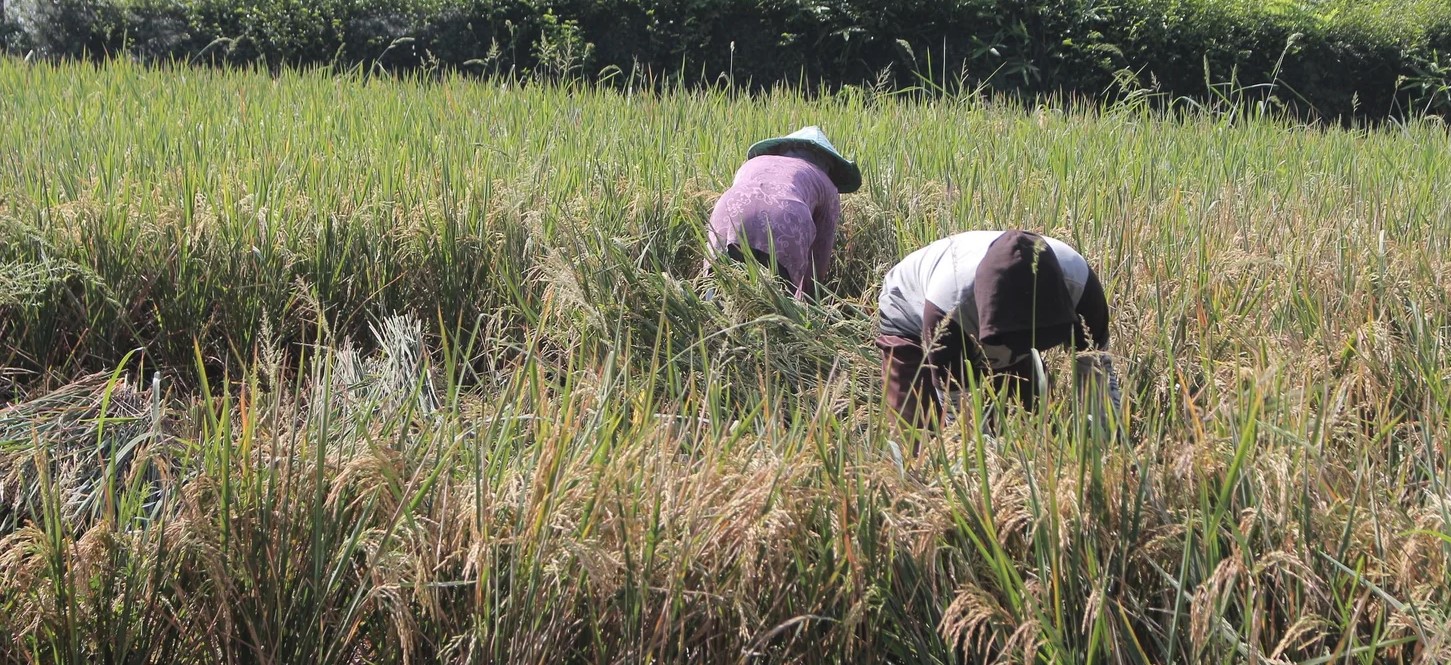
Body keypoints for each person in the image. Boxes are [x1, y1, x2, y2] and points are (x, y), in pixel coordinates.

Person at [875, 230, 1122, 432]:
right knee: (919, 433)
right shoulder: (947, 310)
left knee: (1032, 424)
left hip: (983, 316)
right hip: (910, 312)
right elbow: (961, 419)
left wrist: (1107, 441)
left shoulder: (1082, 288)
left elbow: (1097, 380)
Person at [705, 126, 861, 299]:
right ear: (829, 164)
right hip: (784, 223)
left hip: (728, 215)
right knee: (772, 308)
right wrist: (807, 303)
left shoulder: (753, 164)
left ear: (783, 149)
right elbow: (819, 255)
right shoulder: (827, 184)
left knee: (717, 297)